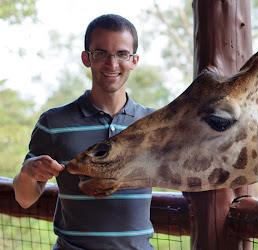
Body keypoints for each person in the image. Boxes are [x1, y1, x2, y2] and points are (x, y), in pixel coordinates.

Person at [13, 14, 155, 249]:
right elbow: (25, 199)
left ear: (134, 60)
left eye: (122, 54)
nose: (112, 64)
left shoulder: (153, 123)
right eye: (101, 53)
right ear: (86, 58)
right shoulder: (53, 122)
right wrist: (28, 173)